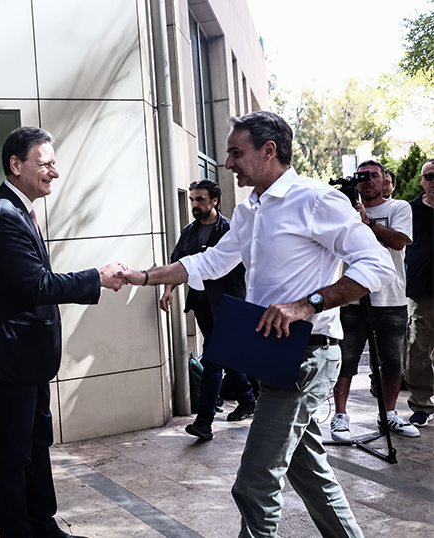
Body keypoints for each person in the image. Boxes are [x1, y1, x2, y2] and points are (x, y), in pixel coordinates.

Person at [116, 111, 394, 538]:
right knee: (311, 475)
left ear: (269, 151)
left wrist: (306, 305)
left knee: (254, 484)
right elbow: (210, 262)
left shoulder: (316, 200)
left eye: (235, 152)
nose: (228, 163)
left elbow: (377, 265)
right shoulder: (249, 210)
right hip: (270, 358)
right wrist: (142, 276)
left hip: (306, 358)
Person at [0, 126, 125, 538]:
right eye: (45, 163)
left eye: (55, 163)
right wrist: (97, 277)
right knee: (13, 455)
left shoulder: (19, 211)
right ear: (16, 165)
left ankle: (43, 526)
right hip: (8, 359)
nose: (54, 171)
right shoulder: (2, 216)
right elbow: (37, 285)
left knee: (36, 445)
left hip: (28, 360)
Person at [163, 179, 256, 441]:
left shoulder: (230, 229)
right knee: (226, 354)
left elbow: (243, 267)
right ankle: (247, 398)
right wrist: (168, 289)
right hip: (202, 304)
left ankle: (204, 421)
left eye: (200, 199)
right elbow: (179, 263)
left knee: (213, 358)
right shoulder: (189, 232)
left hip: (228, 304)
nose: (194, 204)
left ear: (214, 201)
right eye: (192, 199)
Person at [330, 160, 417, 440]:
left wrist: (368, 222)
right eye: (361, 176)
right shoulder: (344, 212)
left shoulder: (398, 208)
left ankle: (389, 414)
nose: (367, 181)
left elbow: (399, 241)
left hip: (391, 298)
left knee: (393, 363)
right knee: (346, 360)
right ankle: (340, 416)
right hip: (353, 298)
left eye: (374, 176)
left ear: (384, 180)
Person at [404, 159, 434, 427]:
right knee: (418, 350)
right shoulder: (409, 210)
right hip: (421, 289)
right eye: (430, 176)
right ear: (422, 180)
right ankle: (422, 404)